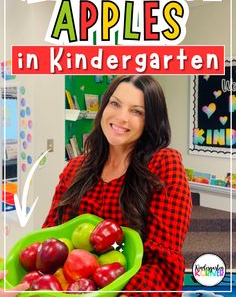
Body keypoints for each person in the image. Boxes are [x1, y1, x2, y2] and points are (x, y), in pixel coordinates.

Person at [1, 75, 192, 296]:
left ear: (150, 120)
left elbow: (163, 264)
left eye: (136, 111)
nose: (121, 117)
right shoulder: (75, 168)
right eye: (115, 103)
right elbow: (50, 240)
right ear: (104, 106)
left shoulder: (164, 164)